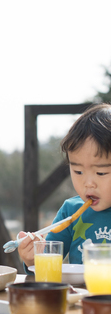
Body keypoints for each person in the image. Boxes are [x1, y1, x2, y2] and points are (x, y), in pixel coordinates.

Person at [18, 103, 111, 268]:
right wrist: (34, 260)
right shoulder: (70, 211)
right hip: (80, 295)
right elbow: (47, 267)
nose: (88, 183)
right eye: (78, 172)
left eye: (101, 173)